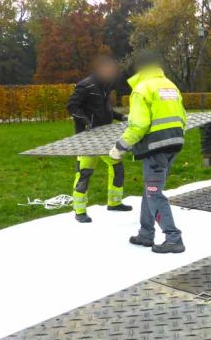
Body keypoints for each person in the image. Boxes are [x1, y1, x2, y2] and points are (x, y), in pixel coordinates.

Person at [109, 50, 186, 253]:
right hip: (175, 143)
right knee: (149, 189)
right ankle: (145, 234)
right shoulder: (170, 85)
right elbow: (183, 116)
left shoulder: (142, 89)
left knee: (153, 193)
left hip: (155, 148)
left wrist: (120, 147)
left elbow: (139, 125)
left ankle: (173, 238)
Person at [67, 54, 132, 223]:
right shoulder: (85, 85)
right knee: (85, 172)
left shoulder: (106, 85)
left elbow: (105, 110)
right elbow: (72, 106)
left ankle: (115, 202)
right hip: (87, 139)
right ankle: (79, 210)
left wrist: (121, 117)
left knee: (117, 166)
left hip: (105, 136)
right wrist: (86, 122)